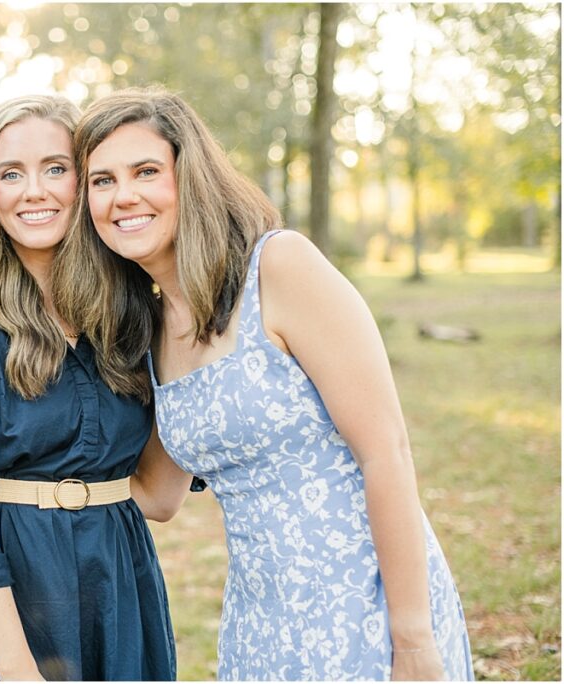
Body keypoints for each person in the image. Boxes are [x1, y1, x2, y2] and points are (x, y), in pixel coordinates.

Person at [54, 87, 473, 681]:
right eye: (102, 181)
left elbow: (386, 454)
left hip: (363, 604)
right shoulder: (150, 330)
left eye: (146, 171)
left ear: (189, 177)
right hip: (261, 621)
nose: (125, 197)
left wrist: (412, 640)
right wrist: (19, 484)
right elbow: (159, 495)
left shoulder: (278, 268)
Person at [0, 94, 177, 681]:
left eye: (55, 168)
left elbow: (162, 494)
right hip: (9, 602)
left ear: (84, 181)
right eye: (11, 173)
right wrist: (20, 672)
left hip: (119, 580)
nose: (35, 190)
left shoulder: (132, 309)